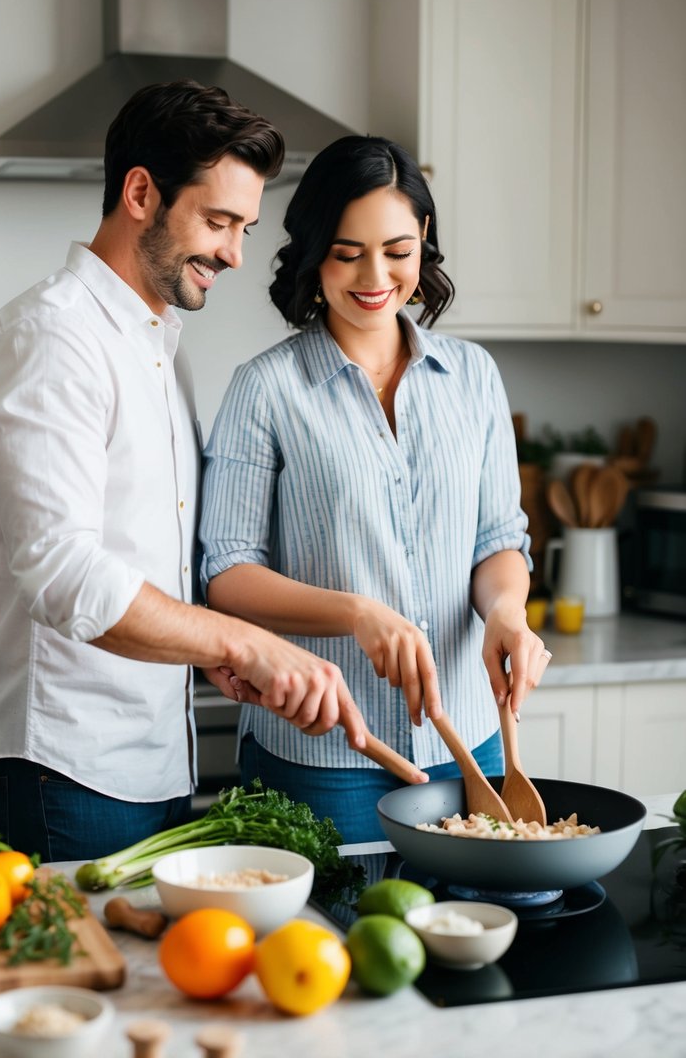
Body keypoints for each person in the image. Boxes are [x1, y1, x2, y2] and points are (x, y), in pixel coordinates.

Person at [0, 81, 366, 862]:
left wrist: (209, 650)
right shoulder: (51, 339)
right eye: (217, 221)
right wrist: (246, 643)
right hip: (65, 765)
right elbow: (66, 575)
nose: (235, 253)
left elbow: (139, 555)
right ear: (141, 192)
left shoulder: (152, 341)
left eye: (243, 227)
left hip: (142, 756)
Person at [199, 134, 550, 845]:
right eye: (346, 251)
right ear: (312, 251)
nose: (374, 276)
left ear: (422, 238)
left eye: (395, 250)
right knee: (335, 950)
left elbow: (497, 541)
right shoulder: (263, 389)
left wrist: (506, 612)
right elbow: (226, 576)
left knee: (470, 941)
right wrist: (357, 613)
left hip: (473, 744)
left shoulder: (474, 376)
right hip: (325, 753)